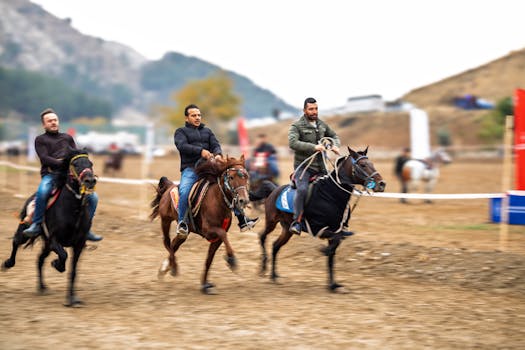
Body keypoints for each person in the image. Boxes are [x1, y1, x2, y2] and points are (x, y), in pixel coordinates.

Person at [174, 104, 259, 235]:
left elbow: (215, 144)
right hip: (191, 169)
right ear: (187, 118)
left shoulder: (207, 131)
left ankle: (242, 219)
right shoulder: (180, 132)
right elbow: (182, 146)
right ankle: (182, 222)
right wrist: (201, 151)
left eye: (199, 115)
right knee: (184, 190)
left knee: (228, 184)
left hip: (210, 167)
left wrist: (218, 154)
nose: (197, 118)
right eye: (193, 115)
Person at [23, 108, 102, 241]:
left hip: (69, 176)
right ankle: (36, 225)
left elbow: (75, 155)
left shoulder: (67, 138)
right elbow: (44, 158)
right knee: (43, 192)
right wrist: (63, 163)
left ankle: (86, 228)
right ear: (44, 125)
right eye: (49, 121)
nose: (53, 122)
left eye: (55, 120)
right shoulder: (40, 140)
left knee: (93, 197)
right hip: (51, 175)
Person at [288, 97, 340, 235]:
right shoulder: (296, 126)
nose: (314, 111)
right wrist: (314, 147)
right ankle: (297, 222)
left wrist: (334, 145)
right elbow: (293, 143)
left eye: (316, 109)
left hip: (322, 169)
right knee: (303, 190)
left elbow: (334, 136)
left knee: (334, 190)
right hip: (303, 168)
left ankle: (335, 222)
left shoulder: (322, 125)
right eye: (311, 109)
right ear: (304, 110)